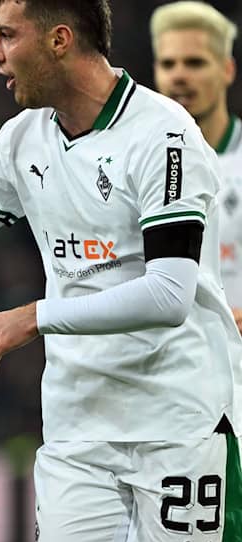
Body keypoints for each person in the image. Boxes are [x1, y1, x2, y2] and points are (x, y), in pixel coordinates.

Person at [0, 0, 242, 542]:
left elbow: (170, 294)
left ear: (59, 39)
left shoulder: (163, 135)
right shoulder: (22, 138)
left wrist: (36, 317)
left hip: (178, 424)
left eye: (7, 36)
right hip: (78, 430)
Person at [151, 1, 242, 336]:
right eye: (168, 63)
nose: (179, 76)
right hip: (172, 373)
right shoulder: (140, 164)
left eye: (195, 63)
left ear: (227, 70)